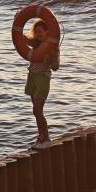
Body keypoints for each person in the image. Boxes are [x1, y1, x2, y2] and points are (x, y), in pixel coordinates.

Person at [24, 19, 60, 149]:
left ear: (47, 32)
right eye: (36, 31)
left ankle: (46, 139)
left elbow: (56, 67)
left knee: (37, 110)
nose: (38, 33)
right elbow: (23, 40)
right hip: (32, 76)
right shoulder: (36, 43)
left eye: (40, 31)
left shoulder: (52, 47)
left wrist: (51, 58)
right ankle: (41, 137)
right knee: (36, 111)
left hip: (42, 79)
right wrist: (16, 25)